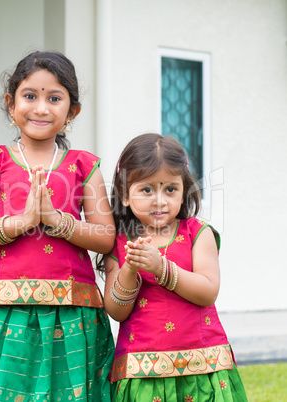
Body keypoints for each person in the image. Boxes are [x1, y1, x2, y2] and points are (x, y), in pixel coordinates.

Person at [0, 50, 115, 401]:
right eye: (30, 96)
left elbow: (106, 238)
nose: (41, 108)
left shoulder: (83, 165)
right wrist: (20, 223)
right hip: (4, 313)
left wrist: (58, 222)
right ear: (11, 104)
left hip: (72, 314)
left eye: (54, 98)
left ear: (72, 112)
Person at [100, 133, 248, 401]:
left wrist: (161, 268)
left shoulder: (197, 233)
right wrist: (129, 270)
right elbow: (116, 312)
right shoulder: (119, 242)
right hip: (142, 372)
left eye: (170, 189)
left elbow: (207, 291)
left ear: (184, 192)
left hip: (203, 365)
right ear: (124, 195)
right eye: (146, 189)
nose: (160, 200)